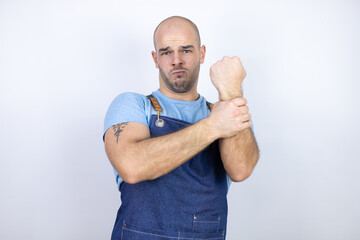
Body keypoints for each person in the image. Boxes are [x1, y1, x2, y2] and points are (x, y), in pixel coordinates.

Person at [103, 16, 259, 240]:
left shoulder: (222, 112)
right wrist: (214, 126)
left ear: (202, 53)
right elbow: (131, 166)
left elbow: (241, 169)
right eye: (166, 52)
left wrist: (232, 92)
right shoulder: (133, 105)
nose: (176, 60)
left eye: (186, 50)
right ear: (155, 58)